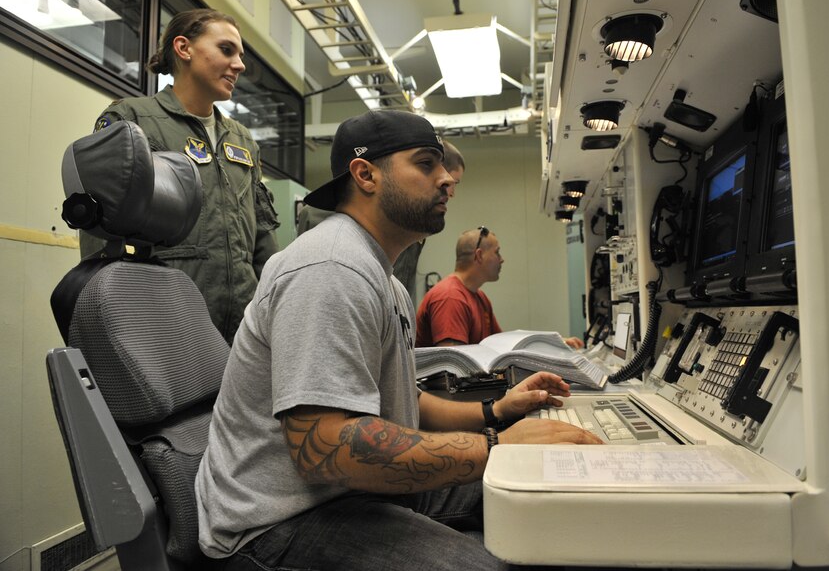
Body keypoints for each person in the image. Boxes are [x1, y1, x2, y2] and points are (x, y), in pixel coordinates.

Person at [195, 109, 601, 570]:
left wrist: (496, 412)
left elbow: (403, 399)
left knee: (550, 490)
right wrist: (498, 446)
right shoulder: (331, 268)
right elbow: (325, 447)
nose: (447, 179)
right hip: (277, 524)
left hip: (353, 488)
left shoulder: (382, 279)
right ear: (365, 175)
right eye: (427, 164)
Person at [82, 9, 279, 344]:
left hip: (243, 329)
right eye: (226, 50)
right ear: (184, 48)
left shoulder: (242, 139)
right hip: (163, 322)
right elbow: (101, 234)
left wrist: (273, 306)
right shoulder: (132, 120)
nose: (240, 65)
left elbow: (262, 235)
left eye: (241, 55)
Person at [295, 139, 466, 305]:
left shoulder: (406, 227)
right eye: (426, 163)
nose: (450, 188)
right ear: (366, 175)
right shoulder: (328, 252)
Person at [416, 227, 585, 349]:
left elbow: (502, 345)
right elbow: (452, 369)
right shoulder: (450, 297)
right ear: (479, 255)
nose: (502, 259)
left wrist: (552, 343)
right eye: (497, 252)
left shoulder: (479, 297)